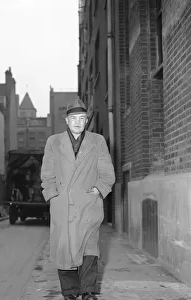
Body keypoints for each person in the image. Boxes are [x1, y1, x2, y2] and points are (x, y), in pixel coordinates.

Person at [41, 99, 115, 300]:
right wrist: (52, 196)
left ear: (86, 121)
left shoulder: (97, 141)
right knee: (64, 249)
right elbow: (47, 175)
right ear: (66, 120)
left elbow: (107, 174)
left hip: (88, 204)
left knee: (89, 248)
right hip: (63, 205)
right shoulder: (53, 142)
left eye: (82, 118)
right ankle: (70, 292)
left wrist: (98, 190)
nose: (77, 122)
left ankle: (88, 291)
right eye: (73, 118)